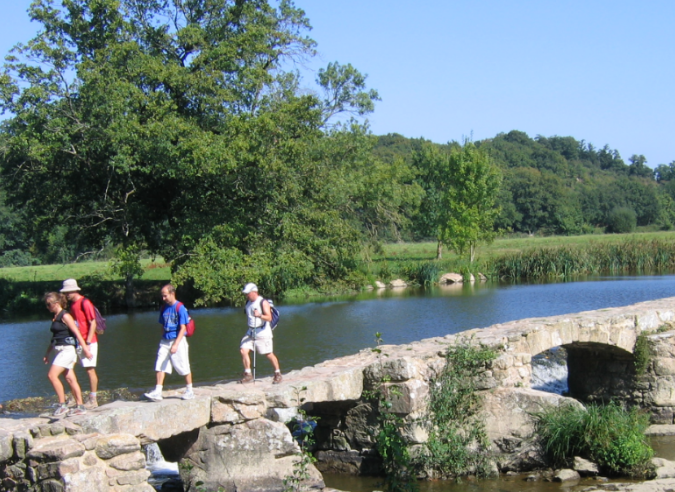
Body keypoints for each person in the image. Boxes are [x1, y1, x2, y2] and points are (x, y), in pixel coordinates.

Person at [43, 292, 93, 417]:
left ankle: (62, 405)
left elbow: (77, 332)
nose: (47, 307)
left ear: (56, 303)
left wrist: (86, 349)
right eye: (46, 305)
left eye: (49, 304)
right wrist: (47, 353)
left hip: (67, 350)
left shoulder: (65, 316)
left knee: (52, 375)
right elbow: (54, 338)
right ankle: (80, 406)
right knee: (70, 379)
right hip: (59, 350)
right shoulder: (56, 317)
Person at [144, 284, 194, 401]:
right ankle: (157, 391)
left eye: (165, 296)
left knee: (183, 366)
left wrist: (176, 344)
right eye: (162, 296)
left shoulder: (180, 307)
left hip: (178, 340)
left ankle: (189, 390)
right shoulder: (164, 308)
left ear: (172, 294)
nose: (163, 298)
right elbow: (162, 324)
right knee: (160, 364)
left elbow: (183, 328)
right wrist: (163, 338)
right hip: (165, 340)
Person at [60, 279, 101, 408]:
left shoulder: (85, 302)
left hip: (89, 341)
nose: (66, 295)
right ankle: (75, 397)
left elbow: (93, 322)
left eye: (68, 292)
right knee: (68, 367)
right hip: (78, 342)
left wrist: (88, 342)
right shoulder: (72, 305)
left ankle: (93, 399)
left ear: (74, 290)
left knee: (90, 369)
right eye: (65, 292)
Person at [239, 283, 282, 384]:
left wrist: (259, 315)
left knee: (268, 354)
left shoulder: (263, 302)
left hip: (262, 332)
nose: (247, 296)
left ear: (254, 292)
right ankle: (248, 374)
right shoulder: (248, 302)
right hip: (251, 331)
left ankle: (277, 373)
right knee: (243, 350)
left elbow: (269, 317)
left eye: (248, 293)